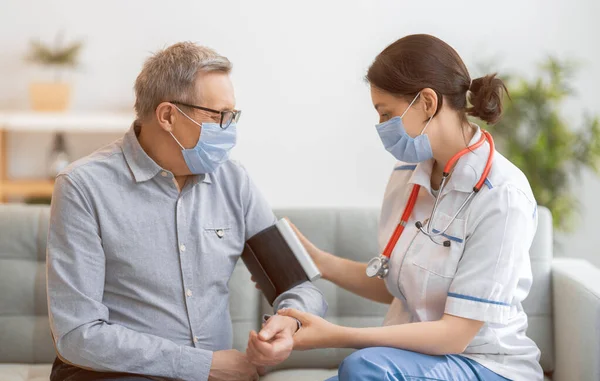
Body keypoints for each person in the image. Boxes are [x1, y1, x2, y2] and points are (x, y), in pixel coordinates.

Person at [250, 34, 544, 381]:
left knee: (362, 369)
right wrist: (318, 262)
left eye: (386, 113)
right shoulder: (408, 175)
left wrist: (337, 334)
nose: (380, 128)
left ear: (427, 102)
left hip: (486, 363)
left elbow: (455, 334)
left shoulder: (503, 196)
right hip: (410, 360)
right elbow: (402, 285)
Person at [46, 42, 327, 381]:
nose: (229, 128)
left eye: (232, 116)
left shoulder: (233, 181)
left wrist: (290, 320)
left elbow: (299, 285)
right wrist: (202, 366)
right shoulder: (83, 186)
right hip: (112, 374)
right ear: (168, 116)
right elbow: (77, 334)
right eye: (217, 116)